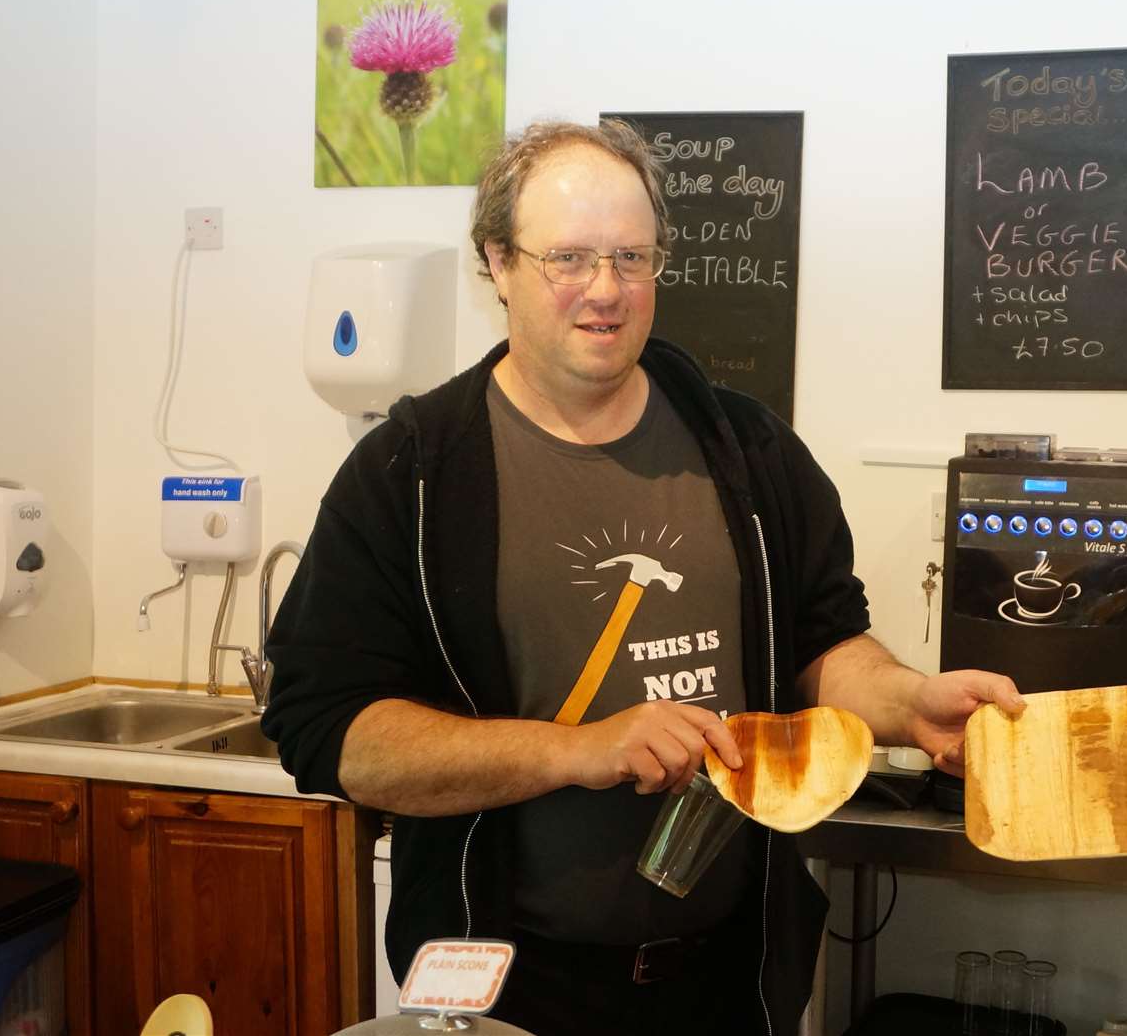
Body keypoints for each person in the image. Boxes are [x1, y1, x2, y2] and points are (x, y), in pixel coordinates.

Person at [261, 119, 1022, 1035]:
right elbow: (333, 734)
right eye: (569, 258)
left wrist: (908, 700)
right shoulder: (411, 474)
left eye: (632, 257)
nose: (606, 292)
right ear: (498, 263)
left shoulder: (749, 447)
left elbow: (820, 643)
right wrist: (578, 749)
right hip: (511, 984)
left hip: (726, 979)